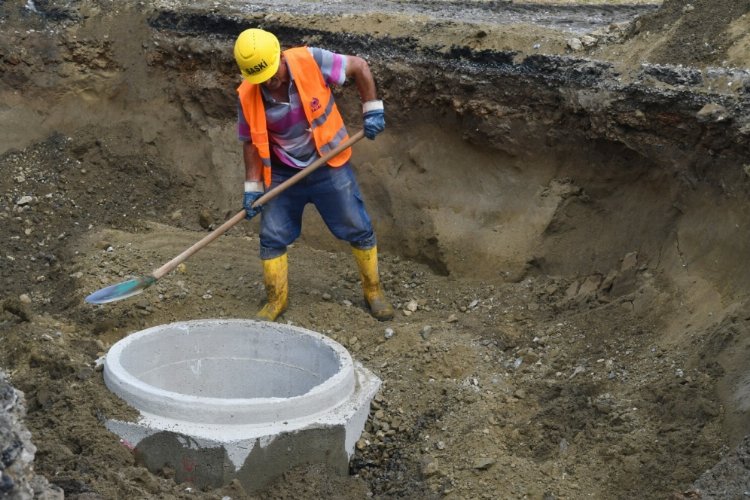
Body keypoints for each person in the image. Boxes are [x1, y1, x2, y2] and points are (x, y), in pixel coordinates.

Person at [233, 28, 394, 322]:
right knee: (272, 235)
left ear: (280, 56)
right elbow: (250, 142)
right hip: (283, 172)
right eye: (262, 79)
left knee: (355, 224)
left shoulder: (310, 60)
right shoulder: (248, 94)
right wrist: (253, 187)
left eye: (273, 73)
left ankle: (373, 291)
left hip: (327, 162)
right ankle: (275, 300)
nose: (270, 82)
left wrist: (372, 109)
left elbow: (359, 66)